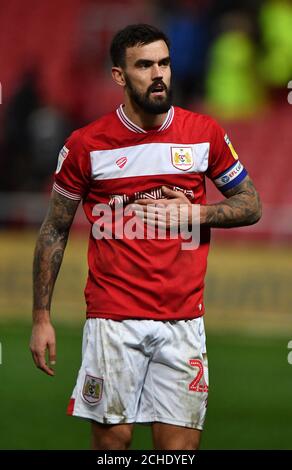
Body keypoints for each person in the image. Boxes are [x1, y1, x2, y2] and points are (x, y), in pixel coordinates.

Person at [30, 24, 262, 450]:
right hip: (113, 321)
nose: (159, 74)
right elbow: (54, 230)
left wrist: (194, 213)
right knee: (112, 448)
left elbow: (251, 204)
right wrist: (41, 318)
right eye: (144, 65)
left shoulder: (203, 134)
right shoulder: (87, 146)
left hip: (183, 321)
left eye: (164, 63)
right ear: (119, 76)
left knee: (178, 453)